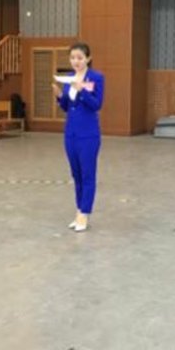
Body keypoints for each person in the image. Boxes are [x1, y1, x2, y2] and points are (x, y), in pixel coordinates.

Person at [52, 42, 104, 232]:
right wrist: (60, 96)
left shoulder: (96, 78)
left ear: (88, 59)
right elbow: (67, 106)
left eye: (80, 58)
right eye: (73, 58)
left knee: (88, 174)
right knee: (77, 175)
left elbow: (96, 104)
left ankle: (84, 214)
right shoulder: (68, 78)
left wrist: (81, 90)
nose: (76, 61)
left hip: (88, 134)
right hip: (71, 134)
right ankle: (79, 211)